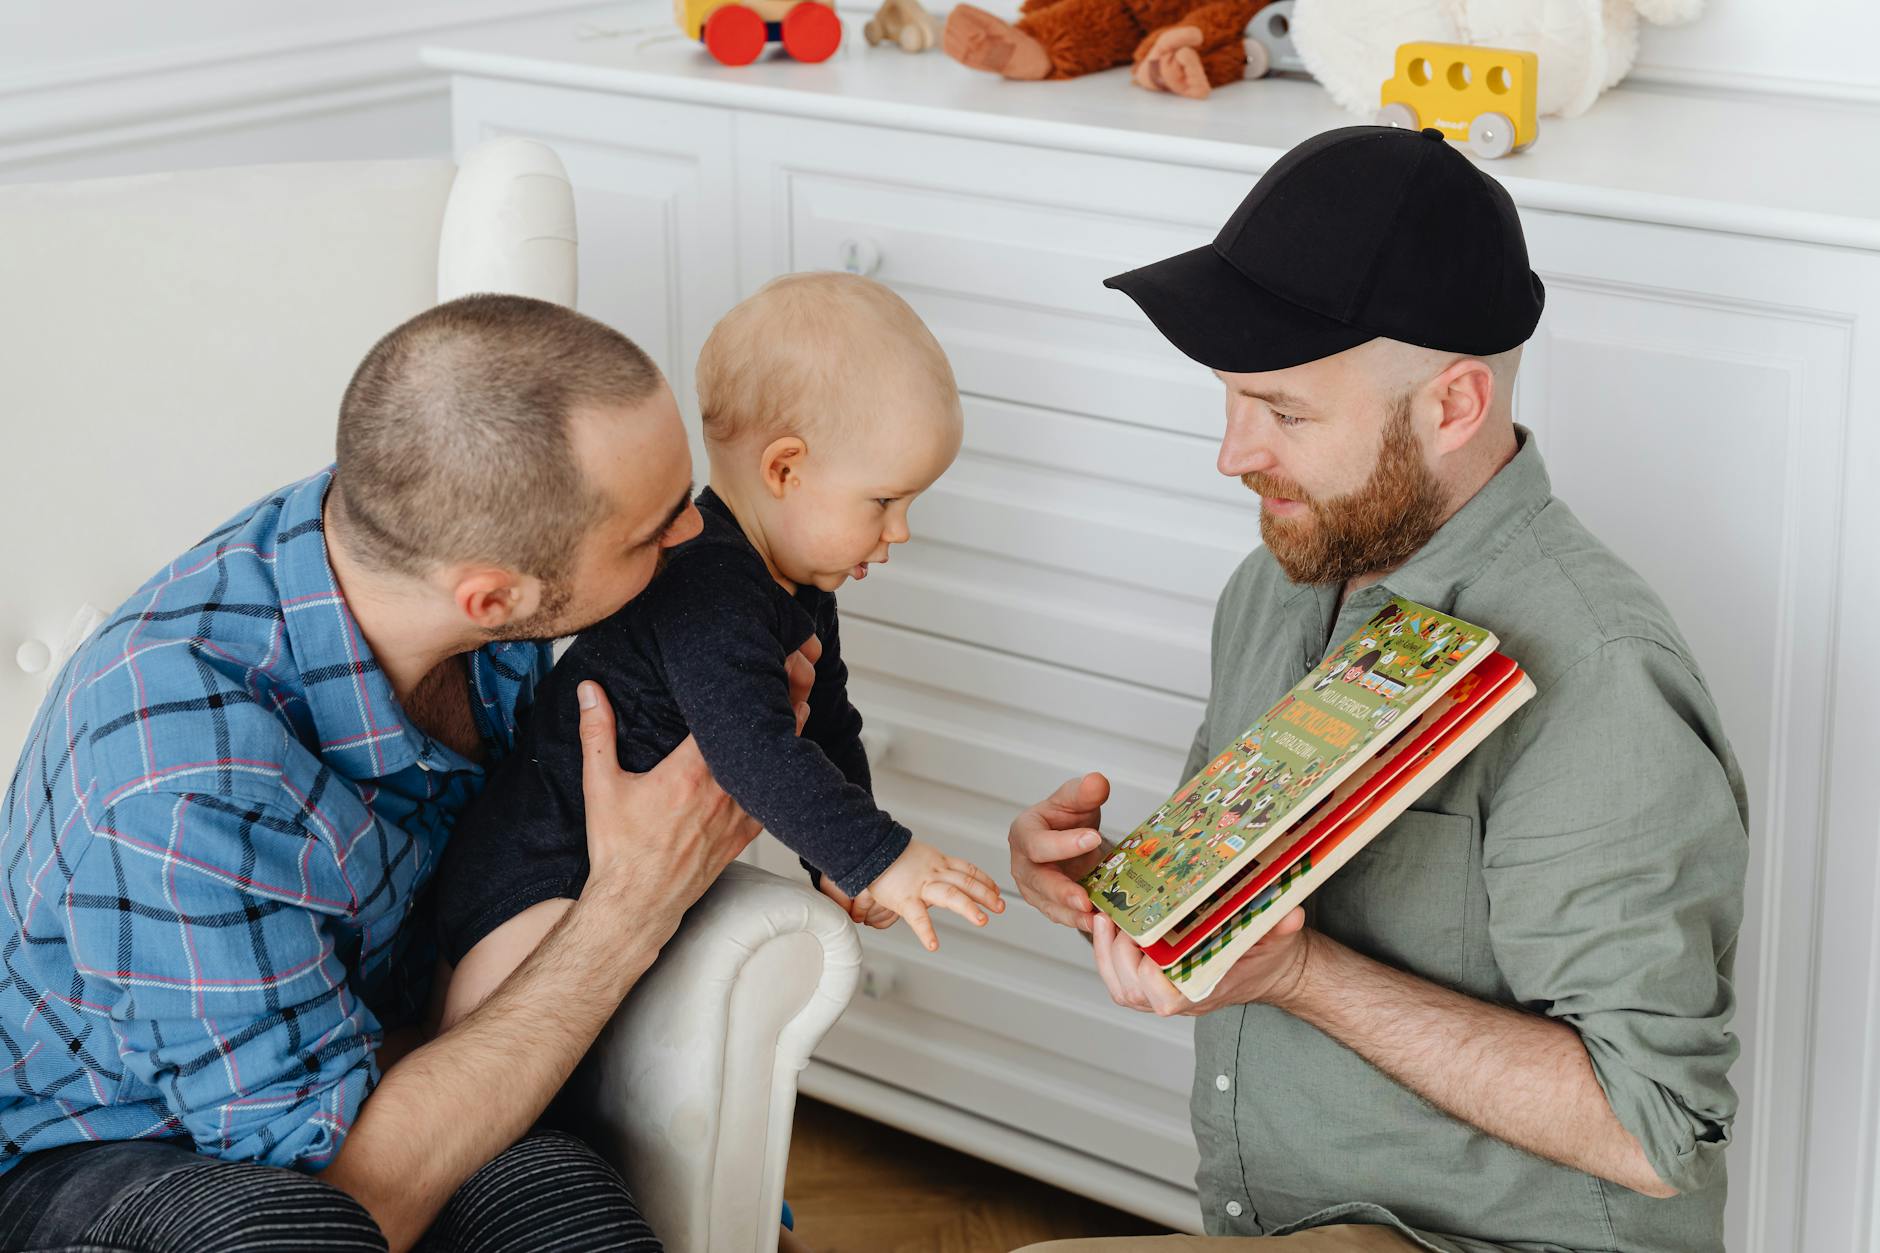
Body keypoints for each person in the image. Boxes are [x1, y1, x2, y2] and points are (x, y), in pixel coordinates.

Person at [1007, 125, 1748, 1253]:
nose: (1232, 454)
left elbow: (1652, 1126)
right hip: (1286, 1222)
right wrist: (1109, 889)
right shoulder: (1275, 584)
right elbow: (1235, 908)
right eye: (1230, 399)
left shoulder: (1598, 671)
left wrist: (1300, 973)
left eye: (1285, 412)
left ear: (1452, 406)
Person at [0, 294, 819, 1253]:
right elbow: (351, 1190)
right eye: (654, 531)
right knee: (294, 1234)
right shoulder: (179, 782)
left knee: (568, 1208)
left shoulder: (435, 536)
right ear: (492, 597)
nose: (695, 533)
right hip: (109, 1139)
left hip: (386, 1057)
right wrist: (633, 903)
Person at [435, 273, 1004, 1027]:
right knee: (500, 1029)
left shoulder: (797, 587)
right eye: (885, 501)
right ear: (785, 469)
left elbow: (828, 725)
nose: (900, 531)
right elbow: (753, 751)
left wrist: (840, 861)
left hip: (603, 873)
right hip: (532, 872)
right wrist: (881, 854)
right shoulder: (710, 587)